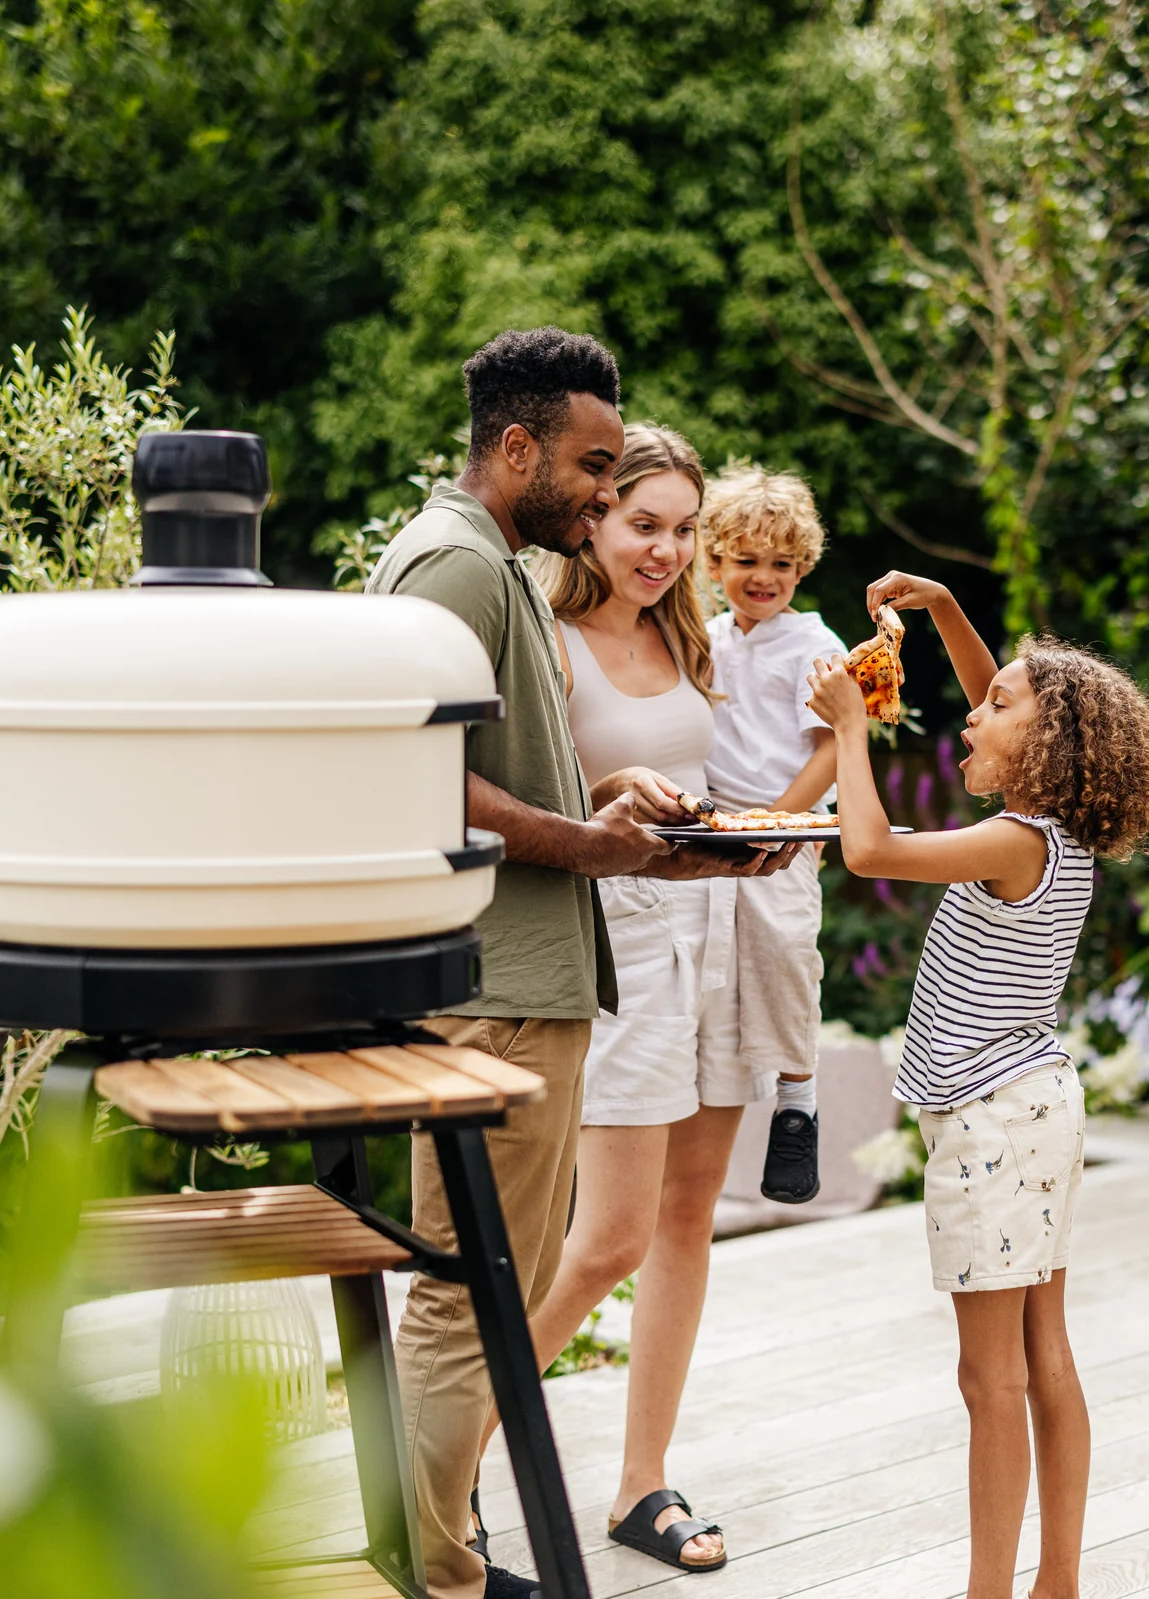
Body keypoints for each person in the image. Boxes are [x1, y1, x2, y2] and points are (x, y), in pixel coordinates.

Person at [364, 332, 792, 1599]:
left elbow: (493, 769)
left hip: (526, 978)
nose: (605, 501)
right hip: (494, 986)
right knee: (468, 1293)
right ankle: (438, 1569)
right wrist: (600, 851)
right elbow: (402, 769)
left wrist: (608, 801)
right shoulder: (457, 567)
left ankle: (434, 1548)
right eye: (595, 471)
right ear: (517, 448)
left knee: (487, 1283)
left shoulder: (491, 560)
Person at [805, 571, 1149, 1599]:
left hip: (988, 1128)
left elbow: (871, 848)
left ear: (1043, 749)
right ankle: (1053, 1581)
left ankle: (988, 1591)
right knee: (1044, 1353)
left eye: (993, 707)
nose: (971, 714)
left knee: (989, 1379)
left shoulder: (1010, 842)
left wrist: (848, 724)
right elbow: (1009, 702)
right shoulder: (1051, 831)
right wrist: (941, 613)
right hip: (1035, 1111)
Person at [505, 423, 778, 1576]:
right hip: (607, 950)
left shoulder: (690, 639)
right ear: (594, 519)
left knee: (684, 1219)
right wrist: (614, 782)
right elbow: (537, 799)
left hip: (709, 936)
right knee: (607, 1236)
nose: (663, 551)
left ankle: (639, 1483)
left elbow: (710, 782)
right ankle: (450, 1453)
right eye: (640, 524)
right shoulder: (546, 641)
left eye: (680, 530)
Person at [699, 467, 847, 1204]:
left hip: (785, 821)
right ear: (716, 560)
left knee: (786, 951)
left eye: (782, 564)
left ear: (803, 568)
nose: (765, 577)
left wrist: (783, 818)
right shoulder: (704, 637)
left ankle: (798, 1101)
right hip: (710, 818)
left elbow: (829, 747)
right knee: (714, 964)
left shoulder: (814, 643)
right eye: (747, 559)